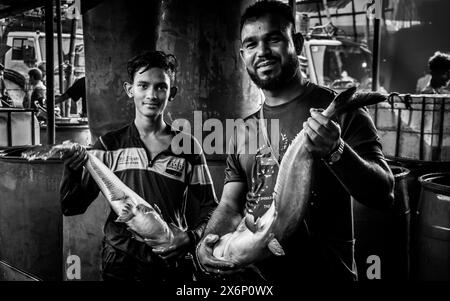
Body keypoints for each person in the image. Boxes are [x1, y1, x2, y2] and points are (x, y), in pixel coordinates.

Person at [196, 1, 394, 282]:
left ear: (297, 43)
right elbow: (230, 206)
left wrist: (337, 151)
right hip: (257, 281)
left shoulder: (340, 111)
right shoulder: (242, 130)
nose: (262, 52)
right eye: (251, 44)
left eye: (273, 39)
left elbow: (384, 195)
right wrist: (209, 242)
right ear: (243, 55)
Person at [59, 51, 218, 282]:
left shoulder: (188, 147)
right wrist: (72, 169)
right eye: (143, 85)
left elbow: (210, 208)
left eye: (160, 87)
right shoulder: (107, 146)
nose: (151, 95)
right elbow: (72, 206)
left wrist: (190, 238)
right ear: (129, 89)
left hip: (170, 260)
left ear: (171, 93)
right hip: (120, 260)